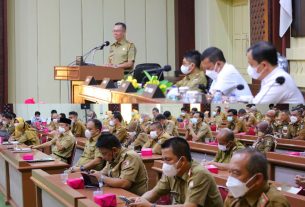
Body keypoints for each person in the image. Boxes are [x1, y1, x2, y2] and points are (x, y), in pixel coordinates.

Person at [129, 137, 223, 207]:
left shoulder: (199, 174)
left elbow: (189, 206)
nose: (165, 164)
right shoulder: (172, 171)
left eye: (168, 159)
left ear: (182, 160)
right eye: (163, 159)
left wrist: (151, 206)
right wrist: (139, 201)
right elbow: (155, 192)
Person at [224, 148, 290, 207]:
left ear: (258, 179)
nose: (230, 179)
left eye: (235, 173)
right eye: (229, 172)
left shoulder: (274, 203)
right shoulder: (235, 193)